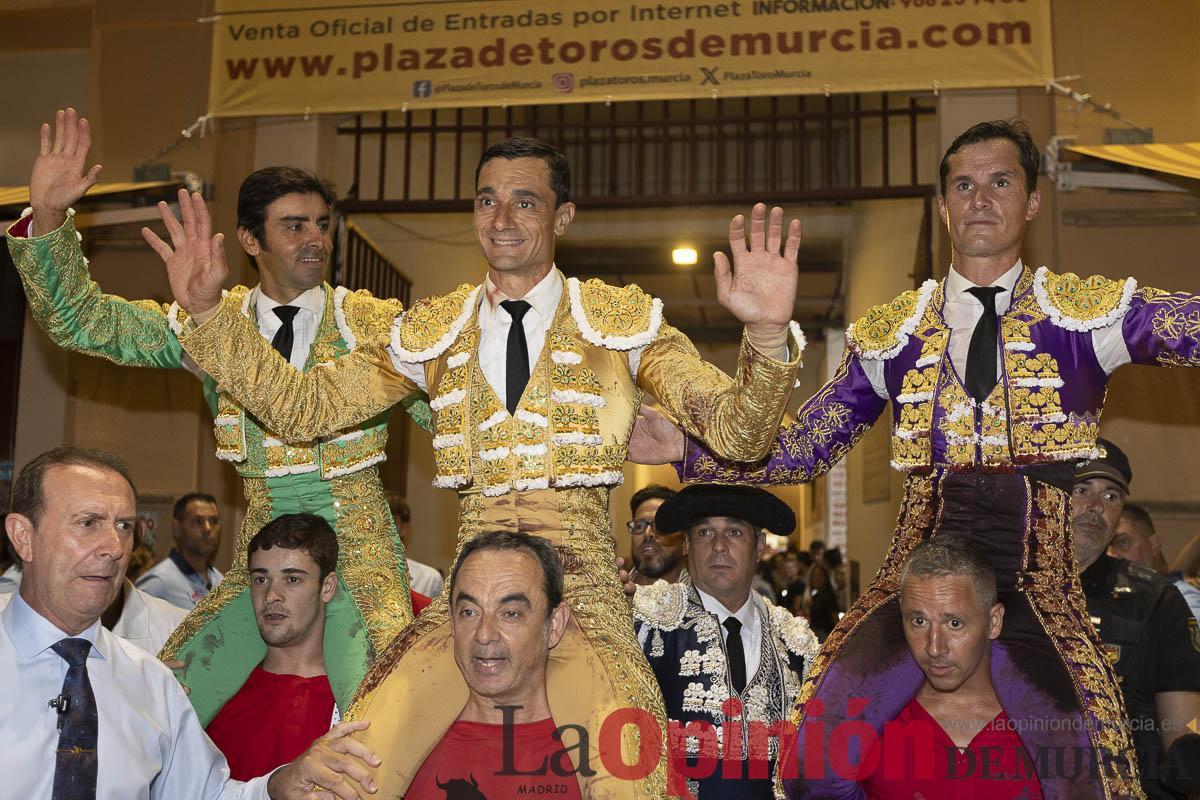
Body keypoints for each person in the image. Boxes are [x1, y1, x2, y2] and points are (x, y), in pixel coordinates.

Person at [161, 135, 805, 798]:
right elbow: (305, 409)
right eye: (486, 201)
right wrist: (209, 314)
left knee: (628, 783)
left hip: (580, 599)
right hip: (466, 603)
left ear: (562, 216)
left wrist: (765, 335)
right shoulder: (431, 331)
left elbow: (738, 434)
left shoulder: (621, 322)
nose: (501, 219)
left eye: (524, 202)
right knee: (355, 770)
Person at [628, 119, 1200, 798]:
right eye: (964, 184)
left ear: (1032, 201)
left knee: (1089, 779)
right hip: (915, 582)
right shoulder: (893, 332)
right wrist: (689, 450)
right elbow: (806, 447)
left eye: (1000, 182)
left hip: (1035, 589)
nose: (980, 198)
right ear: (944, 205)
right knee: (814, 762)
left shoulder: (1086, 316)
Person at [7, 109, 427, 724]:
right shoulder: (205, 317)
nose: (315, 239)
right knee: (165, 701)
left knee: (383, 711)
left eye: (322, 224)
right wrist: (47, 218)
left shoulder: (373, 324)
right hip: (263, 552)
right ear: (250, 241)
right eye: (294, 226)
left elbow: (450, 418)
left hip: (359, 555)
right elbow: (82, 321)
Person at [0, 446, 384, 799]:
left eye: (125, 527)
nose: (114, 548)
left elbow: (207, 794)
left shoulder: (150, 683)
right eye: (88, 523)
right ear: (23, 536)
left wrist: (277, 785)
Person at [633, 485, 819, 799]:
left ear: (759, 546)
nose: (719, 546)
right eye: (705, 532)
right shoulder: (645, 624)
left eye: (734, 532)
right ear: (687, 545)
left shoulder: (796, 642)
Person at [856, 538, 1043, 799]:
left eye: (954, 623)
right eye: (918, 621)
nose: (934, 648)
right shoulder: (870, 723)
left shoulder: (1043, 726)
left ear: (993, 622)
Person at [406, 530, 582, 798]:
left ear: (555, 625)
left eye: (510, 614)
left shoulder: (600, 755)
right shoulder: (399, 744)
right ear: (451, 621)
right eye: (469, 612)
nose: (484, 634)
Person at [1072, 441, 1200, 800]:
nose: (1096, 506)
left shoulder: (1156, 600)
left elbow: (1185, 726)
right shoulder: (1009, 588)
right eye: (1081, 490)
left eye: (1111, 496)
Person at [207, 514, 340, 781]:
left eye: (292, 579)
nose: (271, 596)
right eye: (261, 579)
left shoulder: (353, 702)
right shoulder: (212, 697)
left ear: (327, 587)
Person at [1112, 503, 1200, 622]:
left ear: (1154, 544)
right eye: (1105, 549)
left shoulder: (1184, 600)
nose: (1111, 555)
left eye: (1122, 542)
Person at [135, 492, 224, 609]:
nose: (207, 528)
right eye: (198, 521)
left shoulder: (220, 581)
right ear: (177, 528)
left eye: (213, 521)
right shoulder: (159, 582)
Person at [385, 492, 444, 598]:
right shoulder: (356, 577)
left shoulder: (430, 579)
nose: (382, 532)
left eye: (390, 523)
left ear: (404, 528)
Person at [628, 484, 684, 586]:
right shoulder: (609, 589)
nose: (647, 533)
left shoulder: (705, 591)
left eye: (659, 525)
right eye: (639, 526)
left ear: (685, 540)